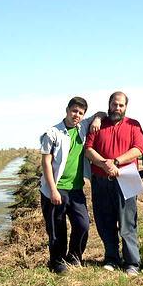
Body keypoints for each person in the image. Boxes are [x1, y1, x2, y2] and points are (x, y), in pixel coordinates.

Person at [39, 97, 105, 273]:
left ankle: (74, 257)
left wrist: (97, 118)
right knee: (57, 229)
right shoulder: (53, 133)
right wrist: (53, 190)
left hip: (76, 189)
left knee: (82, 224)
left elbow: (101, 114)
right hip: (56, 188)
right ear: (67, 110)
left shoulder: (82, 127)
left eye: (81, 113)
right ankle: (57, 262)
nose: (77, 115)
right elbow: (46, 162)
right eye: (74, 111)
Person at [85, 91, 143, 276]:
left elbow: (138, 149)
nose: (117, 108)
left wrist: (116, 162)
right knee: (105, 221)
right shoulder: (98, 125)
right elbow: (88, 149)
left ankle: (132, 263)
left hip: (126, 178)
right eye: (114, 104)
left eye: (121, 105)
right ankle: (111, 258)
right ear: (109, 105)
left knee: (127, 222)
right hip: (101, 180)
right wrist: (104, 163)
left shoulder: (133, 125)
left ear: (126, 107)